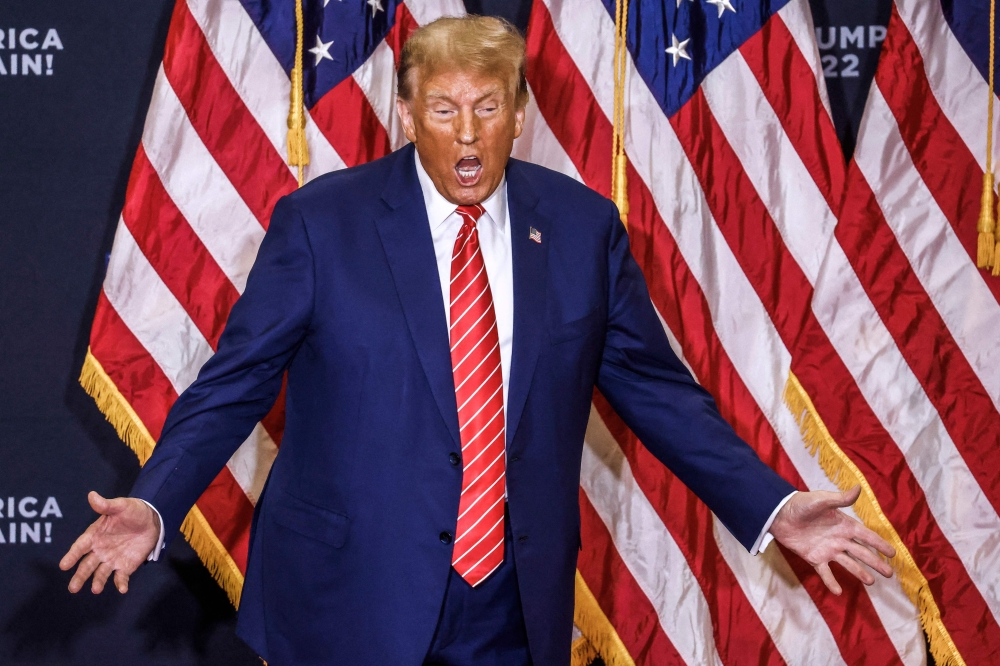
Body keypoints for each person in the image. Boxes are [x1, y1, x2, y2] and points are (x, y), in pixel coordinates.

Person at [60, 15, 895, 666]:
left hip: (511, 601)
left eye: (488, 108)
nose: (467, 134)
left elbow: (659, 393)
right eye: (445, 109)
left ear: (520, 114)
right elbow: (233, 383)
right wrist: (155, 501)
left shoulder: (581, 230)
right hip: (347, 597)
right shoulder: (323, 224)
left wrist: (774, 506)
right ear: (406, 112)